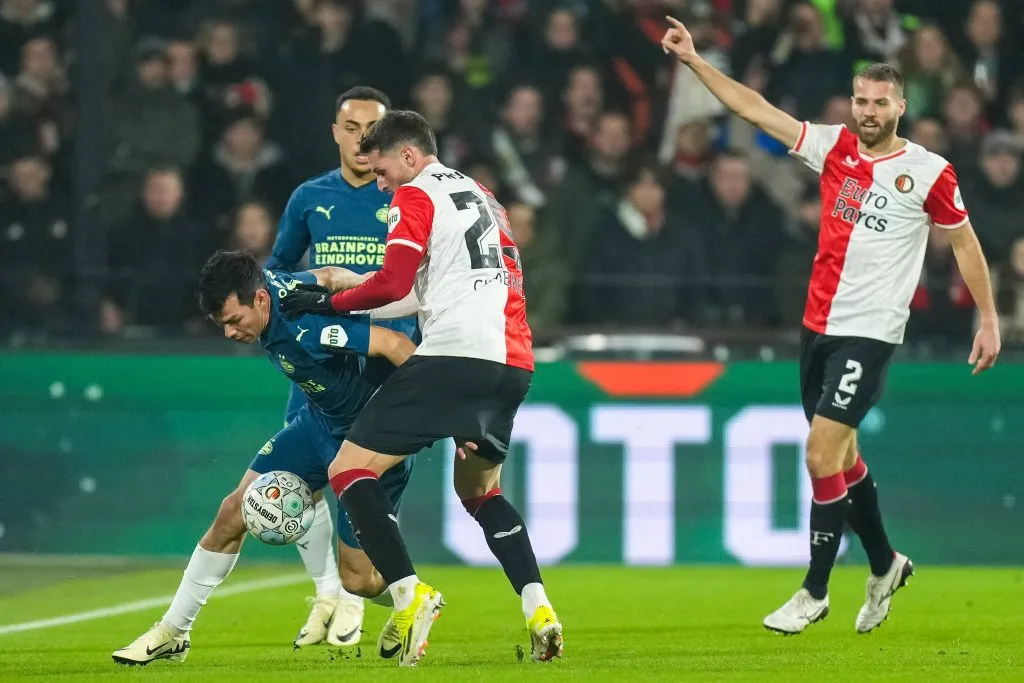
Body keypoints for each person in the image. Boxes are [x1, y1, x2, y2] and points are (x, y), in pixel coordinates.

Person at [661, 16, 1001, 635]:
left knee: (820, 452)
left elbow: (965, 244)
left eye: (879, 102)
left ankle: (814, 590)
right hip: (816, 327)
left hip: (870, 332)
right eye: (860, 101)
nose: (868, 111)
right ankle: (885, 562)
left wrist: (988, 317)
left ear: (901, 105)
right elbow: (757, 110)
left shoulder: (928, 171)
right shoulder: (834, 147)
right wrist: (695, 62)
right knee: (843, 459)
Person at [280, 111, 564, 666]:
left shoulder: (416, 195)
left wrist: (328, 301)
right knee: (481, 492)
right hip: (512, 363)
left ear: (409, 156)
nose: (380, 184)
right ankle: (540, 609)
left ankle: (410, 594)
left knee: (348, 468)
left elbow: (392, 281)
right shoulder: (483, 196)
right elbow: (420, 294)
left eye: (382, 169)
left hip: (454, 355)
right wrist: (349, 295)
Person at [111, 252, 418, 665]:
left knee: (359, 581)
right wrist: (359, 282)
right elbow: (326, 274)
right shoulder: (270, 283)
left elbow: (395, 344)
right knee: (232, 510)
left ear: (258, 299)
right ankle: (173, 631)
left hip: (365, 439)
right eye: (221, 324)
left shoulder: (306, 327)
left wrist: (427, 414)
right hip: (319, 424)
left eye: (234, 321)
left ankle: (411, 594)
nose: (229, 333)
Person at [265, 85, 419, 648]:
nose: (361, 140)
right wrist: (311, 285)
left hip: (382, 364)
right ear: (335, 132)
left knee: (361, 483)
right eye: (351, 128)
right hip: (319, 362)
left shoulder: (406, 198)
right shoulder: (309, 198)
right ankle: (329, 592)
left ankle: (353, 596)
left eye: (371, 130)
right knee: (301, 487)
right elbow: (275, 272)